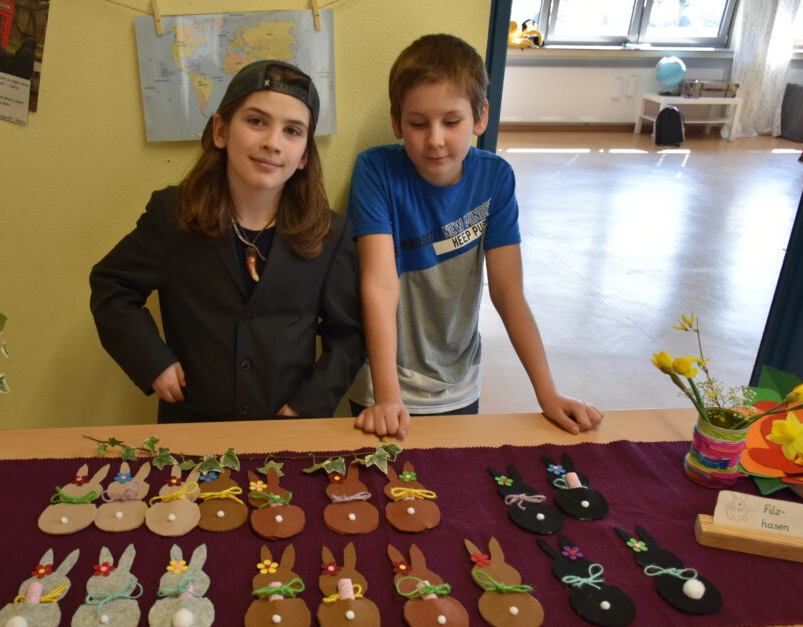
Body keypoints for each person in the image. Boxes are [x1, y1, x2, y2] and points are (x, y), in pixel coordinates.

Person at [348, 34, 603, 440]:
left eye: (451, 122)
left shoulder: (495, 177)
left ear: (480, 117)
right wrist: (388, 398)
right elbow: (379, 285)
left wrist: (547, 392)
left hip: (458, 381)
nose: (435, 139)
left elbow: (508, 291)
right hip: (381, 384)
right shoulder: (375, 171)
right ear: (397, 122)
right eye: (418, 124)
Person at [90, 60, 363, 423]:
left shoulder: (330, 233)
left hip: (286, 428)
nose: (272, 143)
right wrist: (152, 361)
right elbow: (112, 286)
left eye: (292, 131)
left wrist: (305, 407)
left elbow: (349, 335)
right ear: (221, 130)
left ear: (304, 156)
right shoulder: (172, 215)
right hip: (192, 427)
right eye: (256, 121)